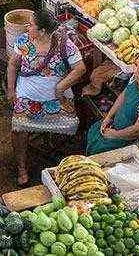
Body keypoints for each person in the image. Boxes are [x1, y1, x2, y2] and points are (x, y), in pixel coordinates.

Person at [7, 11, 87, 185]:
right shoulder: (24, 41)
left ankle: (60, 161)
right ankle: (22, 167)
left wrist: (61, 86)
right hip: (27, 93)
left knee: (69, 124)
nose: (27, 27)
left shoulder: (65, 44)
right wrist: (11, 90)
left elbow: (80, 68)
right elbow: (13, 64)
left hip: (57, 97)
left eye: (31, 25)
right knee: (18, 129)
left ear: (42, 30)